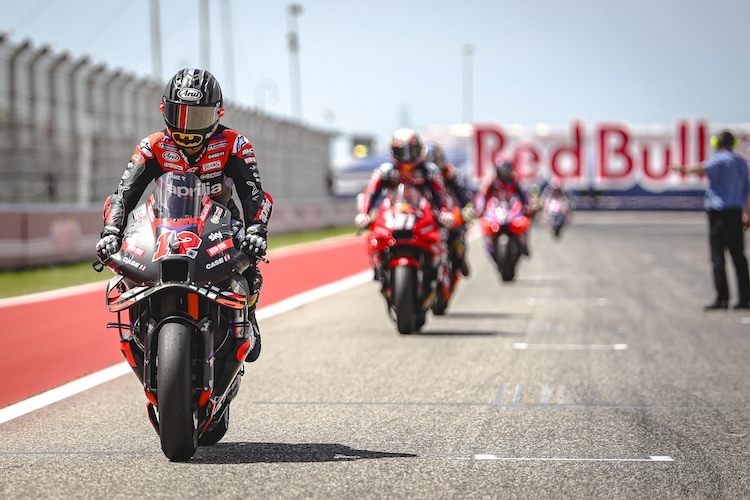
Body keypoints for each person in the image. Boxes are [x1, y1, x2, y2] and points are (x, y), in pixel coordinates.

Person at [95, 68, 273, 359]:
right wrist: (111, 232)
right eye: (181, 115)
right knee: (129, 271)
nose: (188, 128)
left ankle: (248, 316)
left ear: (218, 114)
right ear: (164, 110)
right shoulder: (151, 146)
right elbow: (123, 194)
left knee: (249, 268)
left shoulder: (235, 144)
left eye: (199, 117)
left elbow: (253, 193)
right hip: (164, 223)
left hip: (221, 222)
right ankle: (141, 327)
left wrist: (256, 231)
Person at [354, 128, 455, 278]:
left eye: (411, 151)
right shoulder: (384, 171)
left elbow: (440, 194)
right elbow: (370, 193)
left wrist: (444, 211)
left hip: (422, 217)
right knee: (375, 236)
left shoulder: (430, 171)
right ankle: (380, 266)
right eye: (402, 152)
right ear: (393, 152)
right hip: (394, 217)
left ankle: (437, 270)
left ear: (419, 150)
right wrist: (363, 214)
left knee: (446, 239)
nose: (407, 159)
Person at [670, 129, 750, 310]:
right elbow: (747, 193)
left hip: (719, 215)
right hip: (736, 214)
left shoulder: (719, 160)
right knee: (739, 257)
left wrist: (682, 169)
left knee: (718, 257)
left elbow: (702, 167)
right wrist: (748, 214)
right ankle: (744, 299)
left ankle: (722, 299)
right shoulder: (742, 164)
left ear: (716, 144)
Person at [427, 141, 474, 276]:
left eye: (434, 162)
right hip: (425, 210)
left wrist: (467, 206)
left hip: (446, 209)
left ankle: (460, 257)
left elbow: (461, 192)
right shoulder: (417, 172)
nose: (432, 168)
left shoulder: (450, 172)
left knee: (459, 229)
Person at [474, 156, 531, 255]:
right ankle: (489, 244)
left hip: (511, 208)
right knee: (486, 222)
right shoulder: (490, 182)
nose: (504, 174)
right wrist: (480, 208)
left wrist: (527, 206)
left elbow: (523, 196)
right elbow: (482, 196)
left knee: (524, 222)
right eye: (502, 171)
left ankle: (523, 244)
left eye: (506, 171)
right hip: (496, 208)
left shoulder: (514, 181)